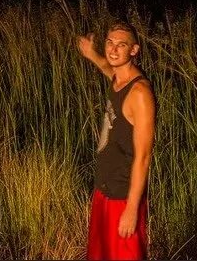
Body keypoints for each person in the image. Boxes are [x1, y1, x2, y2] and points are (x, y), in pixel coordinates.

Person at [77, 22, 155, 261]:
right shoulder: (118, 78)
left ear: (134, 50)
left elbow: (143, 157)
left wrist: (131, 210)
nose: (113, 50)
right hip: (103, 189)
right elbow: (106, 66)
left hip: (123, 196)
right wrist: (92, 54)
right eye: (110, 42)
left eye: (121, 45)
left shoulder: (139, 94)